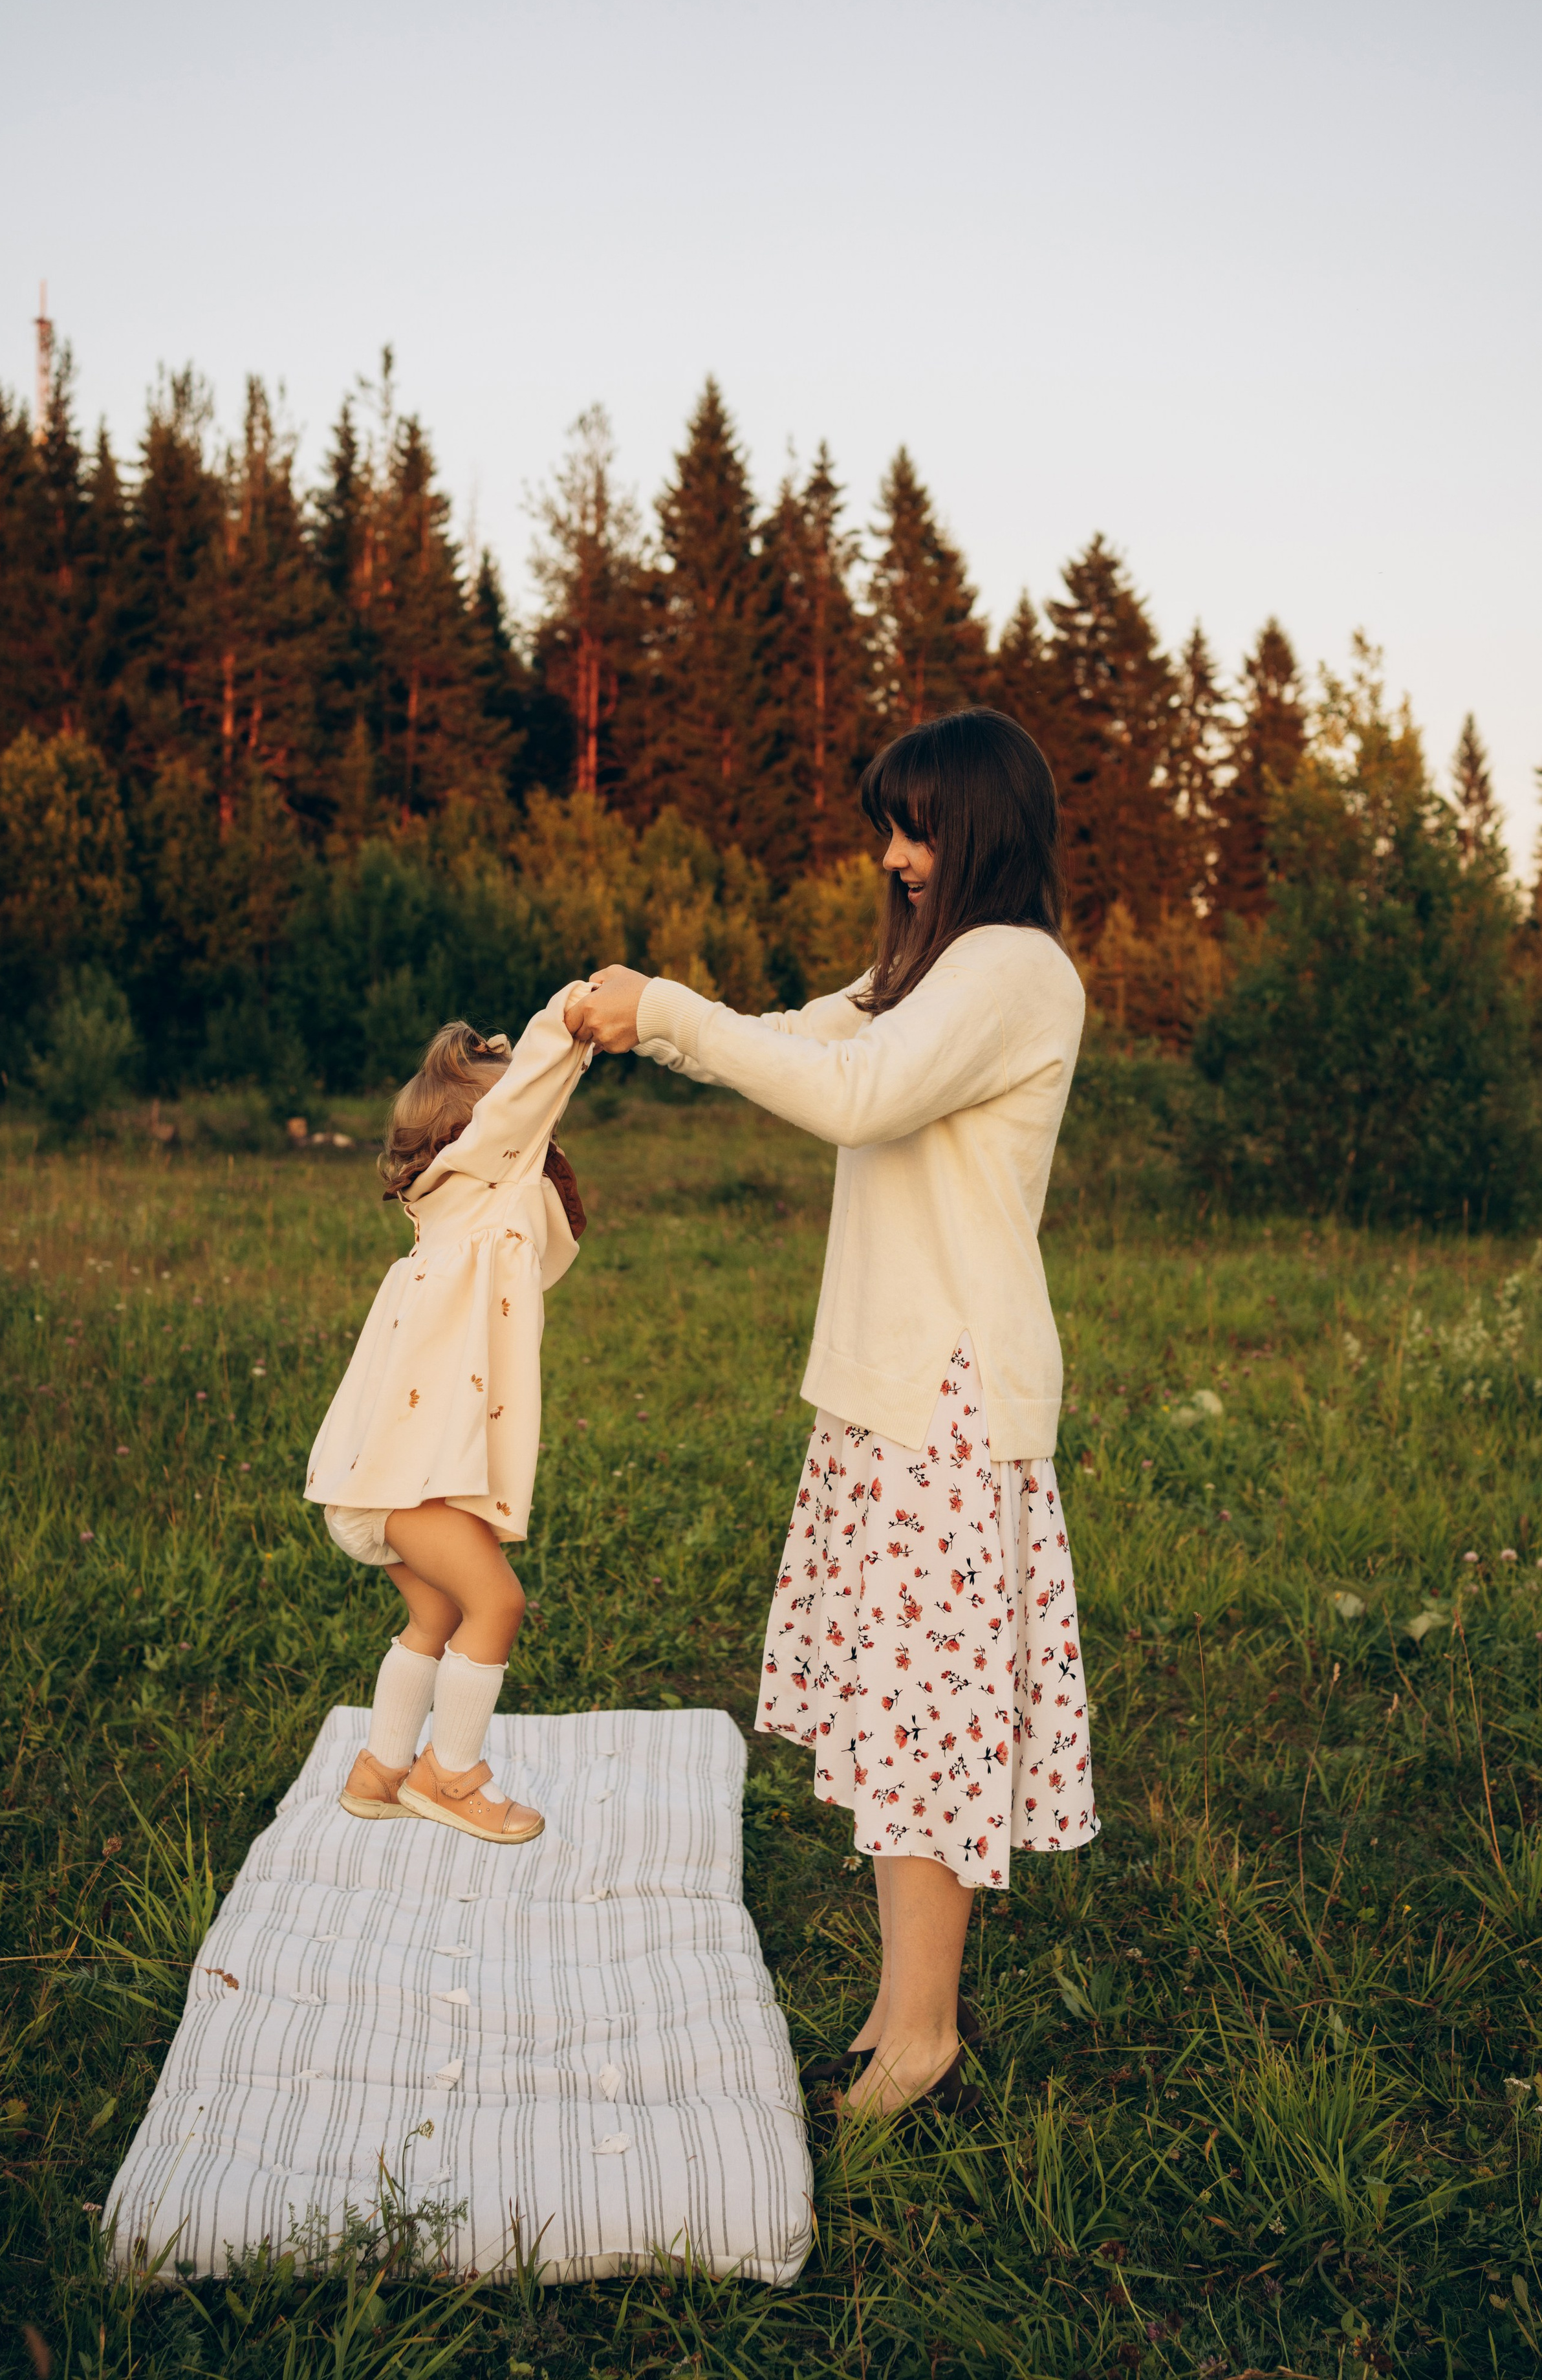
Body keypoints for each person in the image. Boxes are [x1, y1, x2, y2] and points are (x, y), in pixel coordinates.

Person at [567, 710, 1098, 2115]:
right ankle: (892, 2009)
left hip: (948, 1397)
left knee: (922, 1728)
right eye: (889, 826)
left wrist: (669, 1010)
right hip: (888, 1392)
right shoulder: (923, 974)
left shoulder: (1011, 970)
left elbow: (852, 1099)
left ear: (977, 827)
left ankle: (922, 2037)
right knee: (890, 1711)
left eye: (913, 828)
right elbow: (793, 1045)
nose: (892, 854)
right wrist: (636, 1025)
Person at [305, 986, 593, 1843]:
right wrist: (572, 1028)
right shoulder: (482, 1188)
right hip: (399, 1479)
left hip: (370, 1475)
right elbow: (528, 1101)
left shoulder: (446, 1213)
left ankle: (380, 1772)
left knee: (437, 1615)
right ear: (486, 1135)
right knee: (495, 1605)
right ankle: (451, 1777)